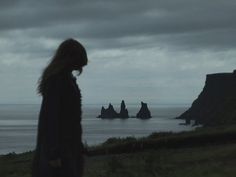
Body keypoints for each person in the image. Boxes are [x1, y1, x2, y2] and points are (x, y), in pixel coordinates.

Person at [31, 38, 88, 177]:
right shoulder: (57, 81)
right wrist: (53, 153)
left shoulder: (64, 79)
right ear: (70, 58)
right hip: (61, 151)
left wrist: (78, 146)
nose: (79, 67)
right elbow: (50, 117)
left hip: (67, 147)